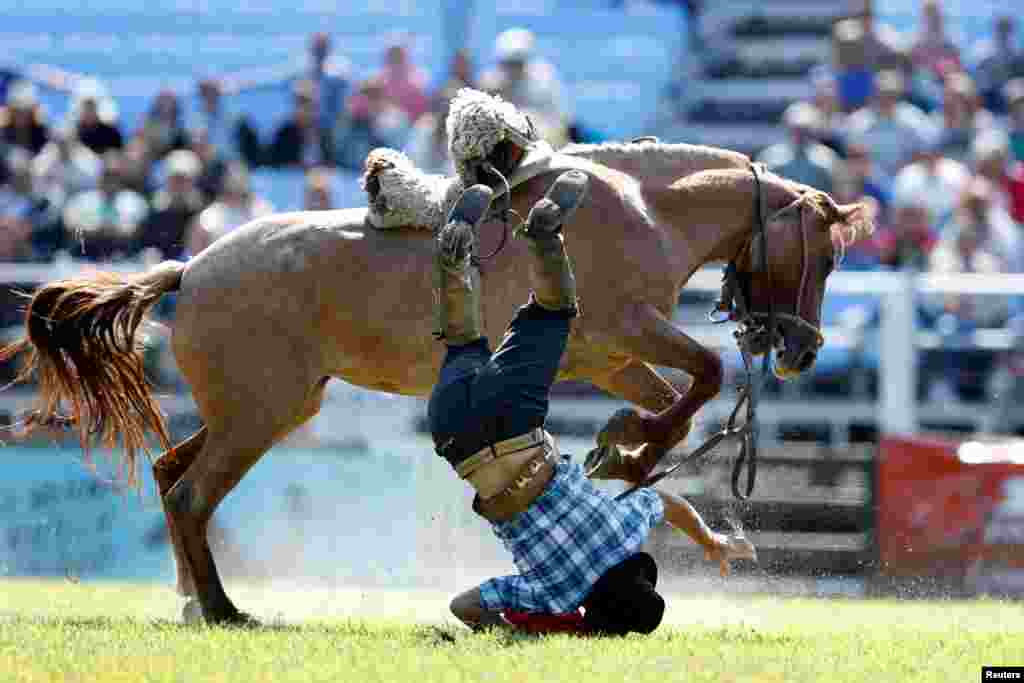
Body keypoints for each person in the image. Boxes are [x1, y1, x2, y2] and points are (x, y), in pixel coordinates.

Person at [428, 173, 755, 636]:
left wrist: (711, 541)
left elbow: (667, 503)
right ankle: (453, 262)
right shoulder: (553, 595)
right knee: (462, 340)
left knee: (555, 310)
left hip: (516, 425)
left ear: (634, 573)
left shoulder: (625, 531)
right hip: (454, 437)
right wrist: (529, 629)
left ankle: (544, 236)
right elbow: (464, 606)